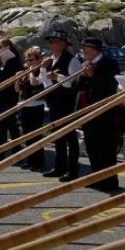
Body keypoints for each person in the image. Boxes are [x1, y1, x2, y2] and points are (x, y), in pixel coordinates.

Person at [76, 37, 120, 191]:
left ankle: (109, 181)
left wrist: (93, 74)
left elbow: (111, 85)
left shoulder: (109, 63)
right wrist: (83, 76)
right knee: (91, 146)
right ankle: (96, 177)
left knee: (106, 148)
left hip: (104, 112)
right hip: (88, 110)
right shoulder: (86, 64)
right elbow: (79, 86)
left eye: (87, 50)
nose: (84, 52)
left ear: (94, 50)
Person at [40, 29, 81, 180]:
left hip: (67, 104)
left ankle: (73, 170)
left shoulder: (72, 60)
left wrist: (57, 76)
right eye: (50, 42)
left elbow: (74, 82)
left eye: (54, 42)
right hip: (54, 103)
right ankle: (59, 167)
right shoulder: (51, 60)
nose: (51, 45)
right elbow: (44, 83)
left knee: (70, 137)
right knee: (58, 137)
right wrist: (43, 69)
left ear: (63, 44)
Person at [0, 38, 22, 153]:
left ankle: (16, 150)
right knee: (1, 123)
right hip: (0, 96)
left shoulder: (14, 61)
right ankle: (0, 151)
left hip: (10, 96)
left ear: (7, 47)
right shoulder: (1, 62)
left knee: (11, 123)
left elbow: (4, 78)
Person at [15, 46, 46, 170]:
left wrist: (32, 70)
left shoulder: (40, 71)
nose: (29, 63)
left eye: (32, 60)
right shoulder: (24, 73)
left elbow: (34, 83)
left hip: (36, 106)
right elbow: (17, 90)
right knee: (26, 135)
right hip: (24, 105)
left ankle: (39, 162)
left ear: (38, 60)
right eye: (27, 60)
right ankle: (30, 160)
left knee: (35, 135)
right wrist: (17, 79)